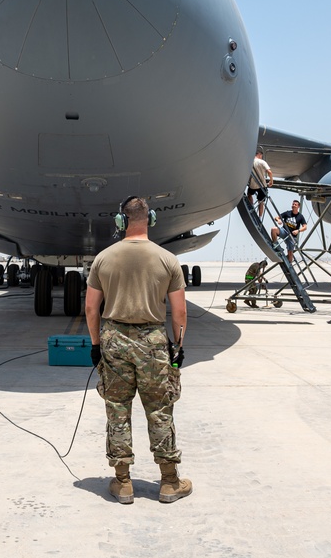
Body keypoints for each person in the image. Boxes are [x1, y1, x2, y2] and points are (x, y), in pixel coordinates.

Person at [86, 196, 191, 504]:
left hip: (114, 341)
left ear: (121, 222)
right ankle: (169, 482)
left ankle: (123, 483)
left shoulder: (103, 259)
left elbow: (91, 308)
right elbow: (180, 313)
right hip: (153, 343)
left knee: (117, 410)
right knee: (160, 410)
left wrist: (95, 346)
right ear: (151, 219)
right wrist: (178, 348)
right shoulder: (167, 259)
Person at [246, 147, 273, 218]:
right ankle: (260, 217)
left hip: (253, 185)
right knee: (261, 201)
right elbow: (269, 172)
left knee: (249, 194)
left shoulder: (250, 161)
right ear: (260, 154)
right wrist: (271, 181)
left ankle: (251, 206)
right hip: (262, 185)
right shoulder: (262, 162)